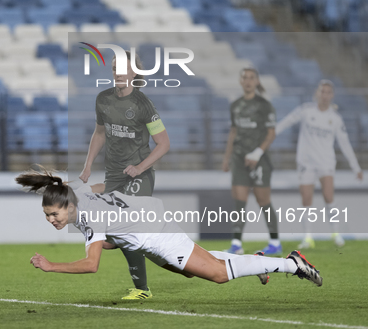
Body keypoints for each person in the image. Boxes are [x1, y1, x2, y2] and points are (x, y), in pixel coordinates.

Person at [16, 168, 323, 289]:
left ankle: (291, 263)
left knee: (217, 274)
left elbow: (91, 264)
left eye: (54, 213)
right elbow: (81, 186)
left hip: (157, 231)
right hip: (146, 233)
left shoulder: (88, 216)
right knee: (192, 269)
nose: (51, 220)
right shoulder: (76, 195)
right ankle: (253, 262)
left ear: (68, 207)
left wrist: (51, 266)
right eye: (46, 215)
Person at [79, 50, 170, 300]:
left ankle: (142, 289)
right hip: (114, 176)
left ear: (134, 73)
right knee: (115, 238)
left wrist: (140, 167)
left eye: (124, 68)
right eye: (115, 68)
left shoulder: (143, 104)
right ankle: (152, 271)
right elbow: (99, 134)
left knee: (125, 227)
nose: (118, 73)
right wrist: (87, 166)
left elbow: (163, 144)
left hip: (139, 177)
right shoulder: (103, 99)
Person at [275, 79, 363, 248]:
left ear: (332, 95)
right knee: (306, 199)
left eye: (328, 92)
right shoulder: (306, 110)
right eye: (322, 91)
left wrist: (355, 167)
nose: (325, 95)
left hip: (326, 162)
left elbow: (344, 143)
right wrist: (272, 133)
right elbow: (287, 121)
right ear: (317, 93)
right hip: (306, 162)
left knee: (329, 197)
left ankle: (336, 233)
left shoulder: (335, 118)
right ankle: (307, 237)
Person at [222, 67, 280, 255]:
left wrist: (257, 153)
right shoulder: (235, 105)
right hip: (239, 158)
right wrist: (227, 157)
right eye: (244, 78)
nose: (247, 81)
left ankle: (274, 241)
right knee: (239, 201)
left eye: (251, 78)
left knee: (263, 200)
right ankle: (236, 244)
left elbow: (271, 133)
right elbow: (233, 132)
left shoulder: (264, 105)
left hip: (259, 159)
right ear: (240, 81)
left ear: (257, 81)